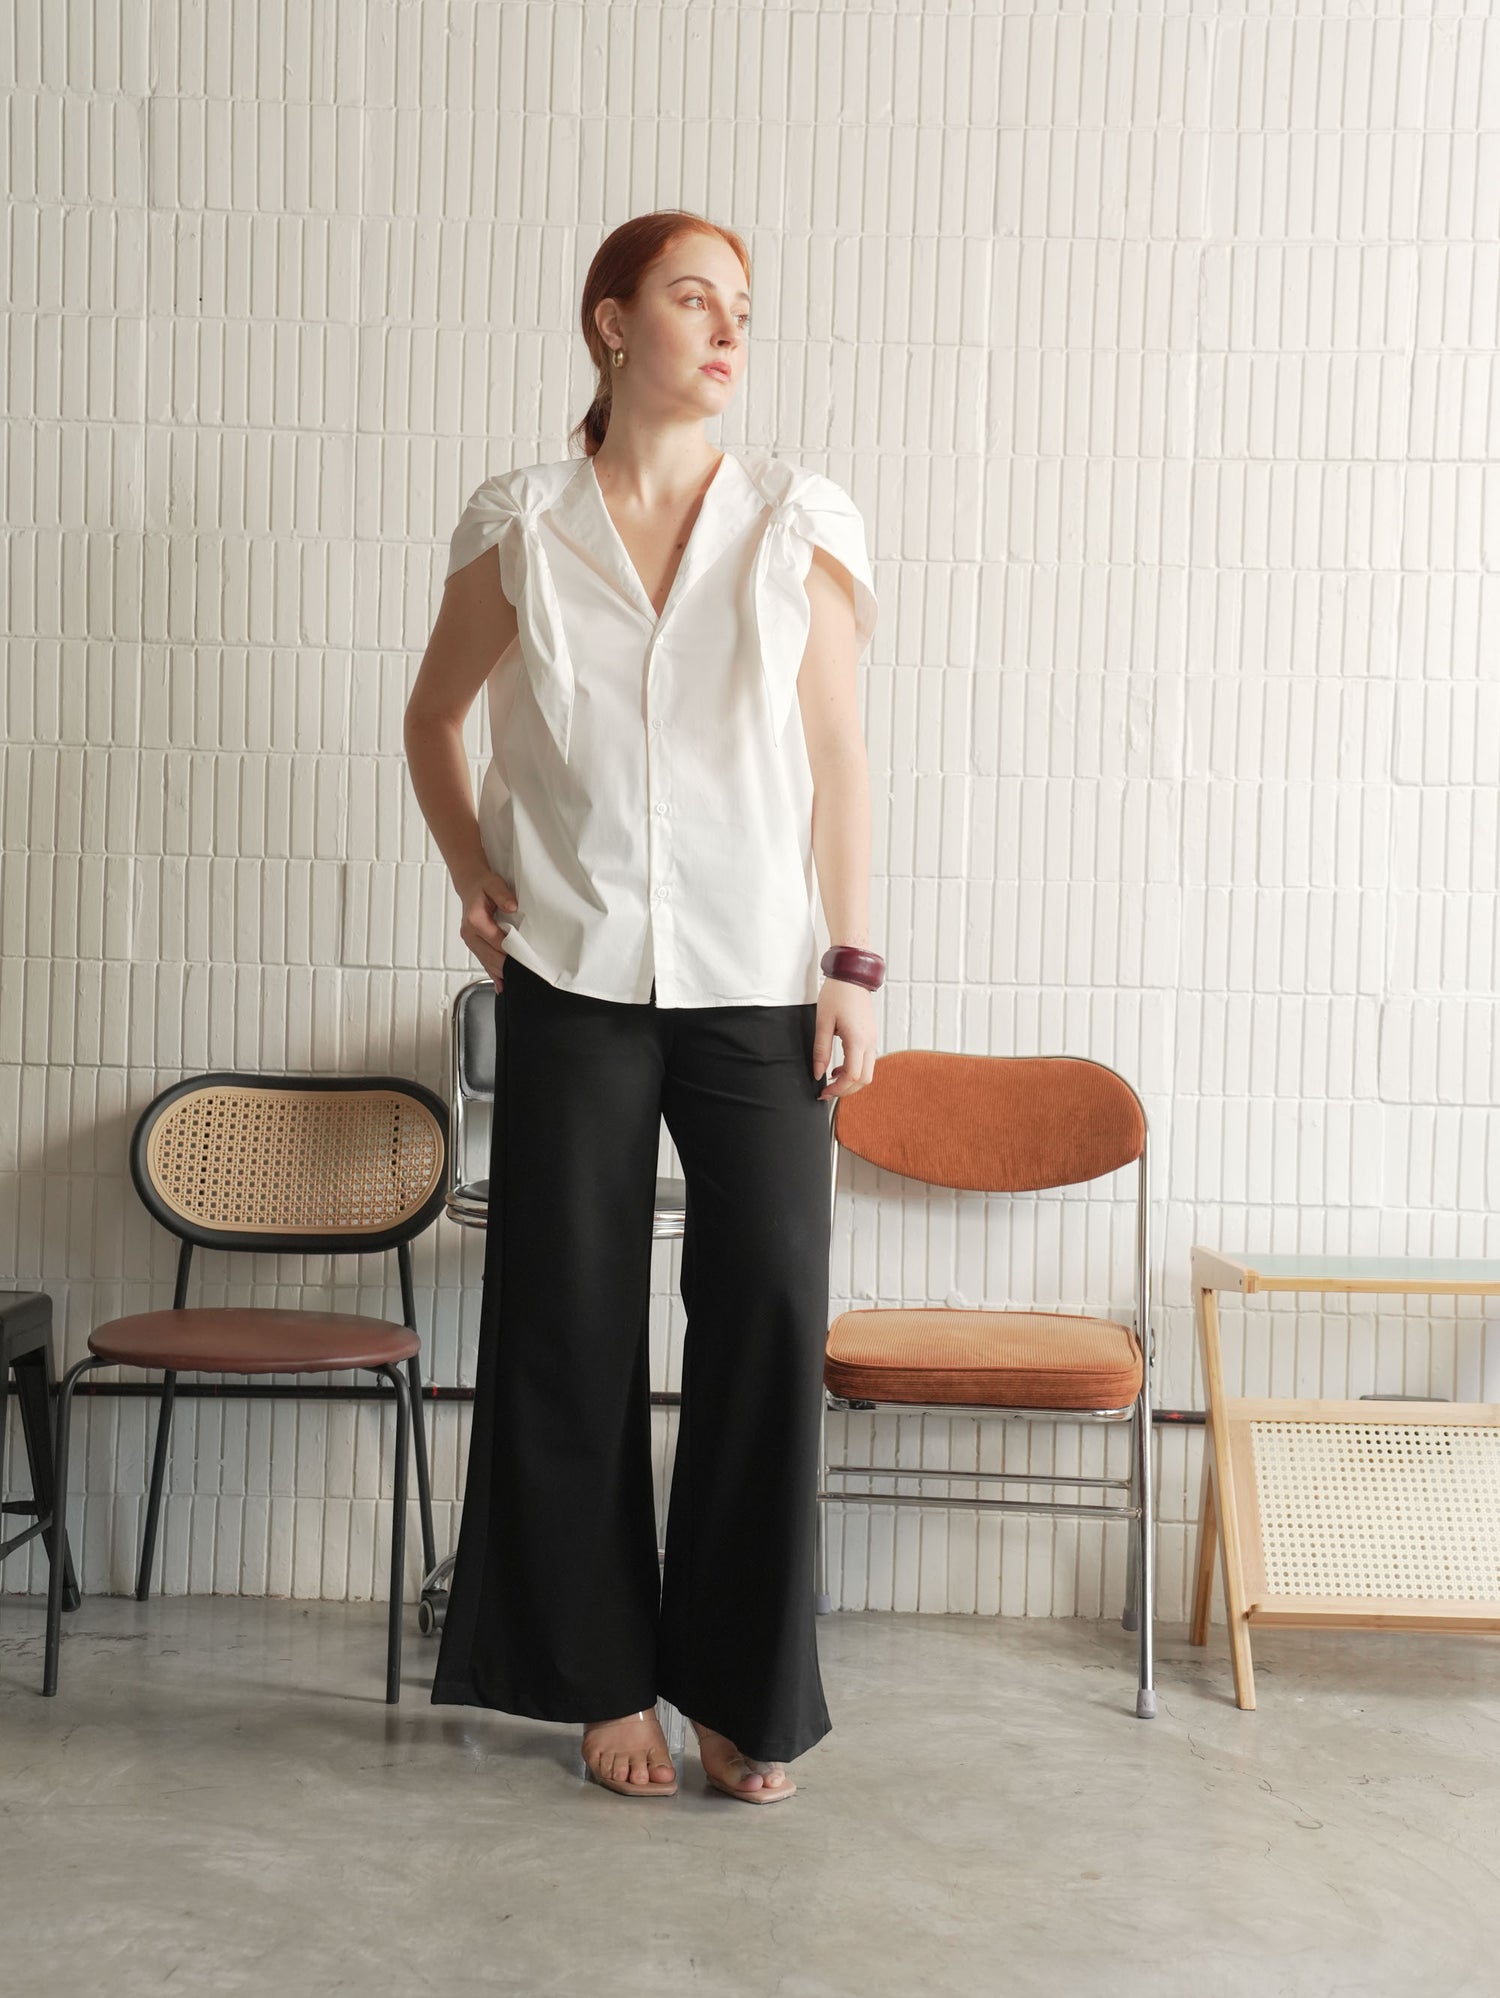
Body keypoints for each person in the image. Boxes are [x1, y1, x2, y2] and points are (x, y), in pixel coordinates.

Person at [402, 209, 882, 1805]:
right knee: (571, 1316)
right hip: (577, 971)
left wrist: (854, 964)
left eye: (742, 305)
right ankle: (602, 1674)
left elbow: (839, 760)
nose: (730, 328)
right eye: (695, 297)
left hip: (759, 980)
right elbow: (434, 715)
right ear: (612, 322)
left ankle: (739, 1688)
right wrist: (473, 870)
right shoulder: (524, 523)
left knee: (768, 1307)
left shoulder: (798, 520)